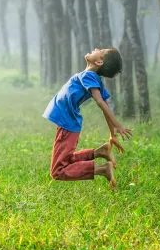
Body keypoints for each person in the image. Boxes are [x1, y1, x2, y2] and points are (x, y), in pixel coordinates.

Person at [42, 48, 132, 190]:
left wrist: (117, 125)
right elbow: (105, 104)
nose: (96, 48)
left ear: (99, 61)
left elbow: (100, 102)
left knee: (57, 171)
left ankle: (102, 170)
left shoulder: (89, 76)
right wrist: (112, 133)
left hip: (67, 124)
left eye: (101, 50)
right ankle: (99, 152)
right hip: (67, 123)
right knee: (65, 160)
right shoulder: (92, 77)